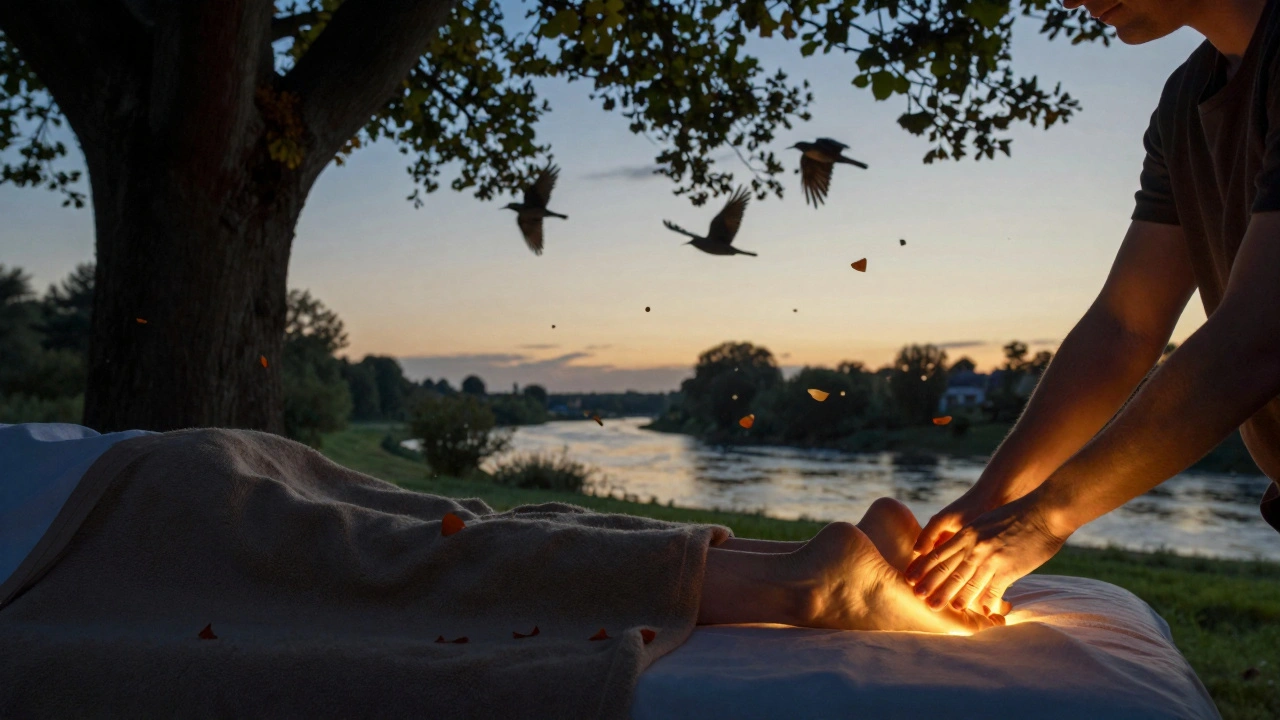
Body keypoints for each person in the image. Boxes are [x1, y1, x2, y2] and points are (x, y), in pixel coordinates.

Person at [904, 0, 1280, 616]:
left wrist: (1044, 518)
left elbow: (1260, 333)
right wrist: (996, 496)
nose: (1069, 1)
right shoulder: (1186, 102)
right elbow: (1125, 325)